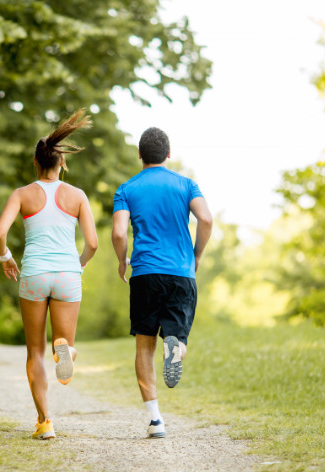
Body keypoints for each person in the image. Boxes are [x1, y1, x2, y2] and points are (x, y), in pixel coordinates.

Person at [0, 109, 98, 440]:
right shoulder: (77, 196)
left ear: (36, 164)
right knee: (62, 344)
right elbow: (93, 243)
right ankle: (65, 350)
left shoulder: (22, 194)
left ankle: (45, 422)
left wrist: (6, 257)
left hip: (35, 273)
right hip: (67, 274)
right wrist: (77, 265)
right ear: (62, 163)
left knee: (34, 352)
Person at [111, 127, 213, 439]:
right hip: (181, 272)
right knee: (177, 338)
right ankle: (176, 348)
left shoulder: (126, 189)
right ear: (168, 154)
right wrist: (195, 255)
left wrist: (122, 259)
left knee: (144, 346)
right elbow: (206, 219)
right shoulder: (186, 184)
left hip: (144, 274)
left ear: (140, 155)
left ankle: (155, 420)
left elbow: (118, 233)